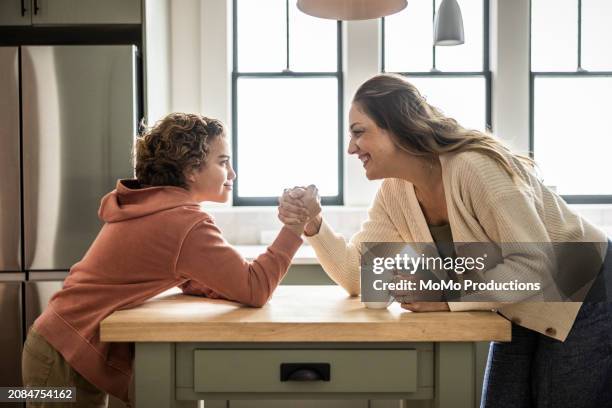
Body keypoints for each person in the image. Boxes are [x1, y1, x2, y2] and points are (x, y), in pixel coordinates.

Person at [278, 74, 612, 408]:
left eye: (359, 132)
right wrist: (314, 225)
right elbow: (358, 276)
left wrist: (447, 295)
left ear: (396, 126)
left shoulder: (474, 167)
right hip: (519, 302)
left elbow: (534, 265)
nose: (351, 148)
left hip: (584, 290)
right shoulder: (395, 192)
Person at [22, 113, 307, 407]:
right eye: (223, 162)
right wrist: (294, 227)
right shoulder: (184, 221)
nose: (232, 174)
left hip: (53, 345)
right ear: (192, 169)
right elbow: (255, 287)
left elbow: (184, 274)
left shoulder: (152, 204)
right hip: (58, 364)